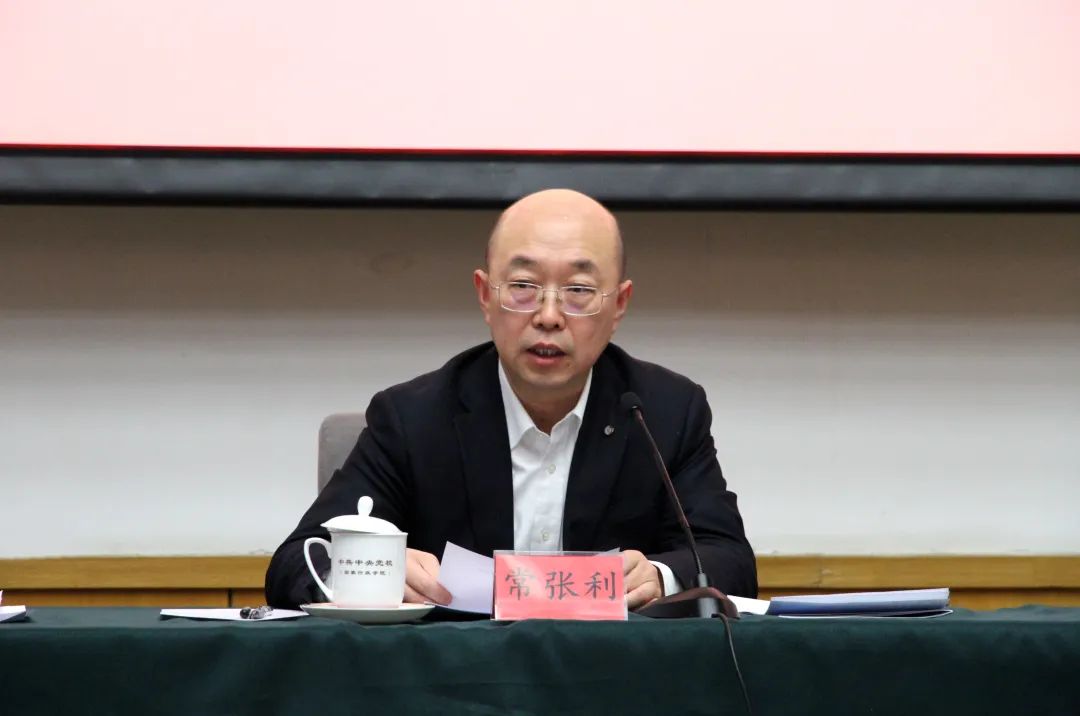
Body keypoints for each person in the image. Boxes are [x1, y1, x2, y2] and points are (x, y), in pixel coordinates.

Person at [265, 189, 756, 609]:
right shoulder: (413, 418)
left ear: (619, 305)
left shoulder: (664, 412)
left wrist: (661, 577)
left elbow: (729, 561)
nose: (548, 316)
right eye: (523, 286)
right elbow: (296, 564)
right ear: (485, 295)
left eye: (578, 290)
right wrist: (379, 571)